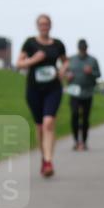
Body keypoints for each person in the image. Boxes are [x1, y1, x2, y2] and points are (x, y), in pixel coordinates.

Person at [17, 15, 67, 176]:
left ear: (51, 25)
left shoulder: (58, 44)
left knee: (48, 123)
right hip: (34, 89)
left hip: (53, 88)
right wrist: (34, 59)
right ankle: (43, 156)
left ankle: (48, 161)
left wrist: (62, 71)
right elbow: (19, 63)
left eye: (46, 24)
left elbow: (66, 61)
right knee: (39, 126)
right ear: (37, 26)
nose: (44, 26)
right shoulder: (30, 43)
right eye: (41, 24)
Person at [65, 39, 100, 151]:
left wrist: (91, 72)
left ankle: (84, 141)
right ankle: (76, 141)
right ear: (78, 48)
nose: (82, 49)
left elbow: (98, 74)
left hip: (87, 92)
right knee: (74, 115)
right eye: (81, 47)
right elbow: (64, 72)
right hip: (74, 91)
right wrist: (67, 75)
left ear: (87, 48)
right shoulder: (71, 59)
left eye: (84, 47)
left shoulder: (93, 60)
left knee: (85, 118)